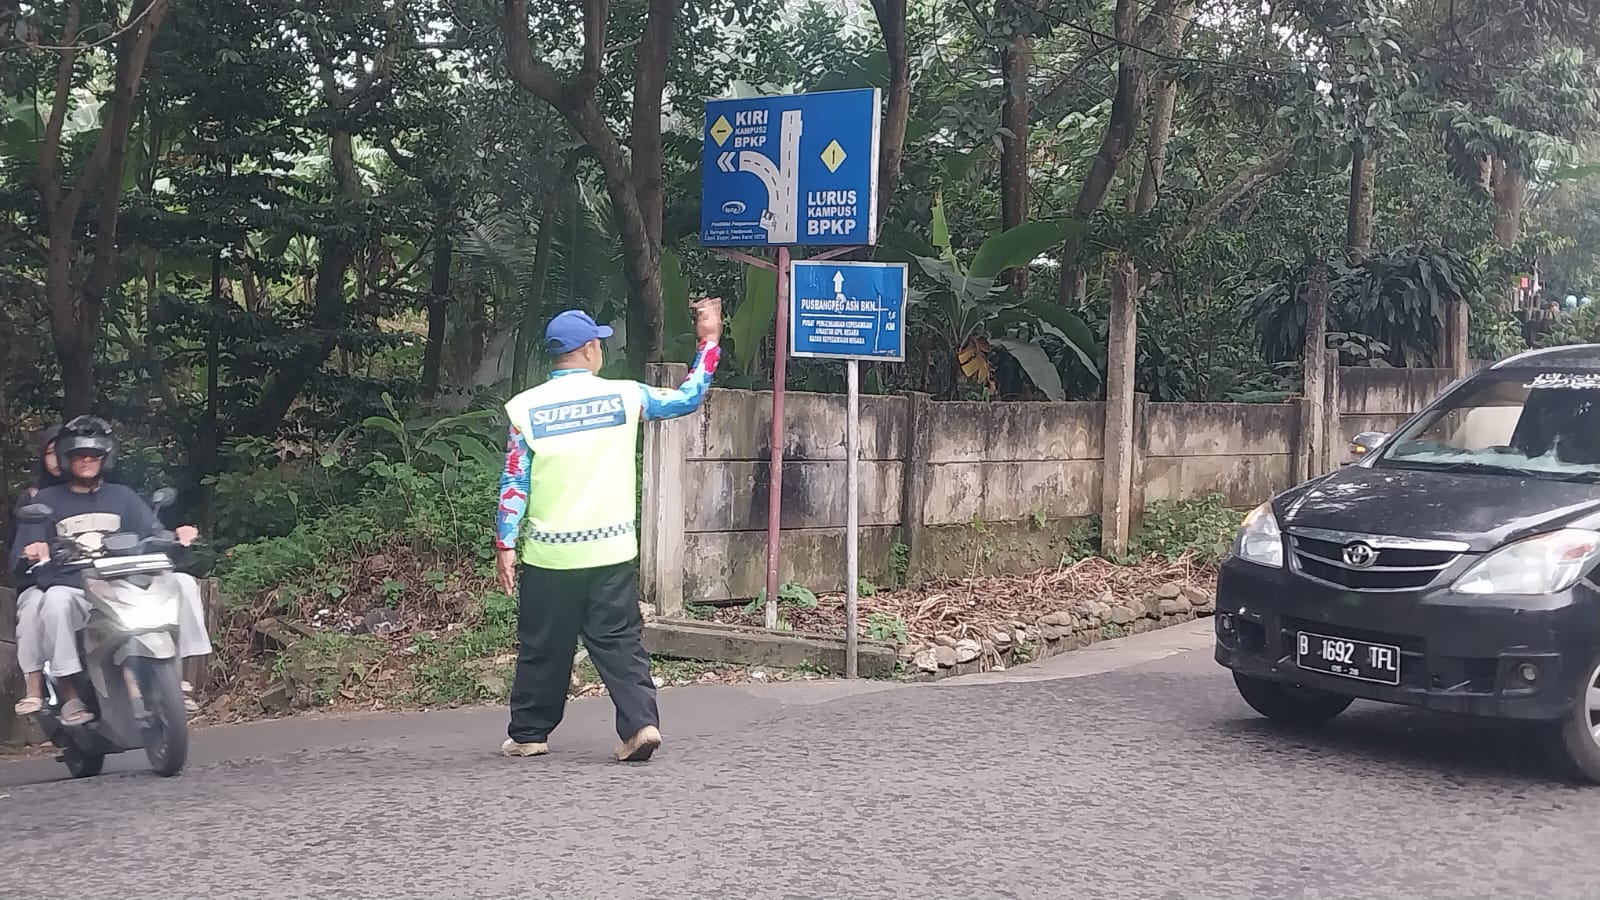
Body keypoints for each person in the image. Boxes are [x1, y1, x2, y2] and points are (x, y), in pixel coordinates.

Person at [495, 302, 722, 762]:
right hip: (611, 549)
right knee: (620, 641)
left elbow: (515, 479)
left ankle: (529, 734)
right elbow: (687, 397)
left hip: (549, 555)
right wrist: (709, 342)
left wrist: (505, 542)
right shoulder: (625, 396)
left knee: (544, 646)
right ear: (590, 349)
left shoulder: (526, 409)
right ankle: (640, 725)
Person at [9, 416, 213, 722]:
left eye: (94, 455)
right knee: (54, 601)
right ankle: (70, 696)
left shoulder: (124, 496)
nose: (87, 461)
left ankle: (180, 679)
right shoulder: (46, 501)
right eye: (80, 456)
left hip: (125, 584)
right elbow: (26, 556)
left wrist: (178, 536)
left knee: (183, 582)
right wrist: (35, 552)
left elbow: (154, 532)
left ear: (106, 457)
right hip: (75, 588)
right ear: (67, 459)